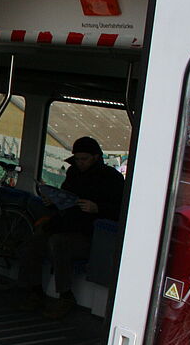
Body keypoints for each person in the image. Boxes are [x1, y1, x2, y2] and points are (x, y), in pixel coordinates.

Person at [19, 136, 125, 318]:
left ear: (96, 157)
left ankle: (66, 296)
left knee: (59, 242)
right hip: (65, 224)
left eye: (84, 159)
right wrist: (52, 200)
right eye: (77, 159)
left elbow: (122, 210)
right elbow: (65, 198)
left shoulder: (112, 179)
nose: (80, 163)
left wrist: (97, 208)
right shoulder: (73, 173)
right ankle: (34, 290)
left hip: (90, 233)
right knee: (34, 241)